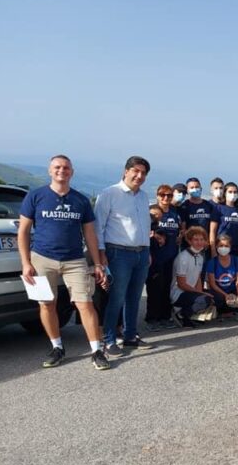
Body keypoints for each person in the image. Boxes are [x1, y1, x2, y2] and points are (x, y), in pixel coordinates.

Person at [17, 155, 110, 370]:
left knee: (85, 304)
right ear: (50, 171)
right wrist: (25, 262)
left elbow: (89, 234)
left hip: (75, 259)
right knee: (46, 304)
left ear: (72, 172)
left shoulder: (81, 200)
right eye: (57, 167)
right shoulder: (35, 196)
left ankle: (97, 350)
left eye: (66, 167)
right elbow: (23, 232)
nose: (62, 170)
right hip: (41, 259)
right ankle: (57, 347)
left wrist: (97, 264)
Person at [94, 156, 153, 357]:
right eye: (135, 171)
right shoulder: (109, 194)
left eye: (143, 173)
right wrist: (101, 255)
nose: (139, 176)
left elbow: (145, 226)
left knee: (134, 298)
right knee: (116, 297)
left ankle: (130, 336)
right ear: (126, 171)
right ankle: (109, 339)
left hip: (141, 253)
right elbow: (98, 227)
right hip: (118, 252)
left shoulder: (144, 197)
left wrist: (148, 249)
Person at [145, 185, 181, 330]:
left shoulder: (175, 213)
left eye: (169, 195)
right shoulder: (152, 211)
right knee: (154, 288)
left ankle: (165, 317)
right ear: (157, 195)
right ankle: (152, 319)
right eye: (162, 195)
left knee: (167, 287)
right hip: (154, 258)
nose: (166, 198)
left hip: (171, 256)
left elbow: (180, 229)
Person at [171, 226, 214, 328]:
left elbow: (198, 277)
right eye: (195, 239)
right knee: (205, 299)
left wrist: (200, 292)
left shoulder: (200, 256)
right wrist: (200, 294)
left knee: (213, 296)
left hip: (191, 291)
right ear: (189, 241)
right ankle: (182, 314)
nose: (199, 242)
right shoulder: (183, 258)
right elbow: (181, 284)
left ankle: (194, 315)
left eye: (202, 239)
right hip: (179, 293)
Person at [205, 234, 238, 321]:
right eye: (221, 246)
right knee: (218, 298)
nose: (223, 248)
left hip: (232, 288)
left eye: (226, 246)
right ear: (216, 246)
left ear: (230, 247)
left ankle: (236, 310)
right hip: (219, 291)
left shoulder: (236, 260)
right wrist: (226, 295)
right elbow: (212, 283)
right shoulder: (212, 262)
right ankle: (223, 312)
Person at [209, 182, 238, 257]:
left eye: (235, 192)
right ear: (225, 193)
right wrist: (213, 249)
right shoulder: (218, 208)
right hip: (222, 247)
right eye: (230, 192)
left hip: (236, 248)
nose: (233, 194)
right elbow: (212, 231)